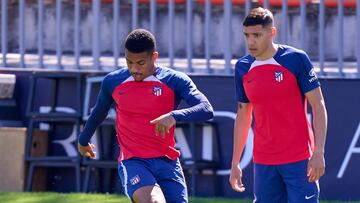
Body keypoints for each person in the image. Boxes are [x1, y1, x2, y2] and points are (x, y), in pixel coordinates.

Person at [78, 28, 214, 203]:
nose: (134, 69)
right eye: (129, 62)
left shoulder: (175, 80)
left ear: (154, 57)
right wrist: (83, 140)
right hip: (134, 162)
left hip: (168, 162)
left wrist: (174, 115)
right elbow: (99, 111)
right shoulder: (113, 82)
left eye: (140, 63)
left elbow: (206, 108)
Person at [229, 7, 328, 203]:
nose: (250, 42)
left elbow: (318, 105)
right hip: (264, 161)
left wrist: (318, 152)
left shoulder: (296, 59)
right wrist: (235, 163)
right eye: (247, 35)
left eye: (257, 35)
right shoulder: (242, 67)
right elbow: (243, 115)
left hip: (300, 159)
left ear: (271, 32)